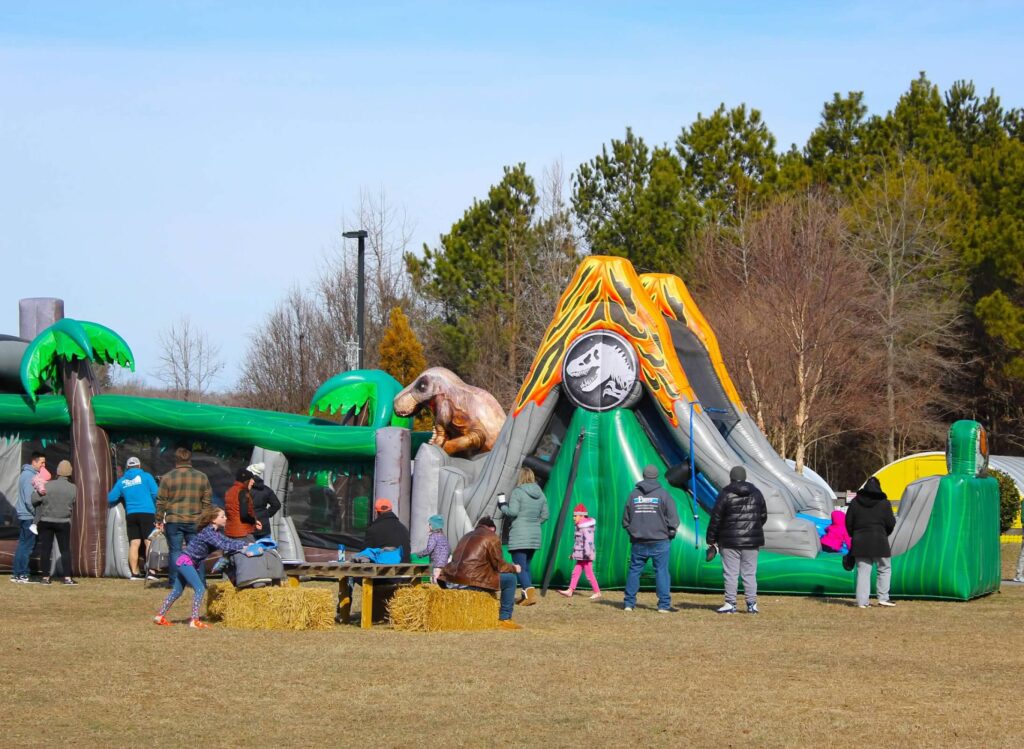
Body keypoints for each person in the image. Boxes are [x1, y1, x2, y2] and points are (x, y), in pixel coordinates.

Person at [153, 507, 256, 628]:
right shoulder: (208, 533)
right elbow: (222, 545)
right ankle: (194, 620)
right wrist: (246, 544)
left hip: (185, 562)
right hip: (186, 562)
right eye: (222, 516)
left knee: (177, 591)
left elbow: (227, 541)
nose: (225, 518)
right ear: (213, 520)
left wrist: (245, 544)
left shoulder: (215, 532)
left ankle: (160, 616)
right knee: (200, 589)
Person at [438, 517, 523, 630]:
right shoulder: (491, 537)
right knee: (510, 579)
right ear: (492, 528)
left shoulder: (466, 536)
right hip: (470, 581)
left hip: (451, 580)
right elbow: (500, 566)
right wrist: (514, 568)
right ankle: (505, 618)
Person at [706, 466, 768, 614]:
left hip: (728, 541)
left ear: (731, 478)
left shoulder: (725, 494)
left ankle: (730, 604)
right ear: (745, 477)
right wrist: (753, 528)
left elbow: (716, 518)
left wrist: (711, 539)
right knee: (749, 573)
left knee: (731, 573)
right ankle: (752, 604)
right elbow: (763, 516)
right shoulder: (757, 493)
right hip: (752, 541)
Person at [622, 464, 680, 613]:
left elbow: (625, 521)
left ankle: (629, 604)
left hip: (638, 541)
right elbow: (674, 519)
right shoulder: (663, 494)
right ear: (656, 476)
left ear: (643, 475)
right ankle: (663, 605)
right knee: (661, 571)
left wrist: (633, 532)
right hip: (660, 540)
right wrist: (670, 531)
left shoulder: (633, 495)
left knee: (634, 571)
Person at [156, 446, 213, 590]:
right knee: (197, 553)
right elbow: (207, 501)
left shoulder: (168, 477)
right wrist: (205, 519)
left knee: (175, 551)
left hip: (174, 520)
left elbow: (161, 500)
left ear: (176, 459)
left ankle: (174, 582)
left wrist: (158, 519)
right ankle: (200, 582)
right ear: (190, 459)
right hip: (195, 520)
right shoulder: (202, 477)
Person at [498, 467, 549, 606]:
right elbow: (545, 515)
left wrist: (502, 505)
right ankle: (525, 596)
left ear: (520, 477)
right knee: (526, 566)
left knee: (519, 566)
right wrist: (533, 523)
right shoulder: (541, 494)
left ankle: (529, 593)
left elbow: (512, 512)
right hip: (534, 534)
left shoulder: (518, 492)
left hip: (520, 534)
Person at [845, 476, 897, 608]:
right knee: (884, 569)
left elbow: (848, 522)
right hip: (879, 541)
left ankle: (862, 602)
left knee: (863, 571)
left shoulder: (855, 502)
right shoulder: (884, 503)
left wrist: (854, 535)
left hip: (860, 541)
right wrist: (885, 533)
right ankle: (883, 598)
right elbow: (891, 523)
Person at [107, 456, 159, 579]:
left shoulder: (122, 481)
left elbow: (110, 498)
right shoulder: (146, 477)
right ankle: (151, 572)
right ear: (139, 466)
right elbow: (156, 493)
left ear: (127, 467)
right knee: (149, 541)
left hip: (131, 514)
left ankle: (134, 573)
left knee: (134, 543)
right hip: (147, 512)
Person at [31, 460, 77, 585]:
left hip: (46, 521)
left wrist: (38, 492)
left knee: (46, 549)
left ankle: (45, 578)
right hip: (63, 521)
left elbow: (34, 500)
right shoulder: (73, 488)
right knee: (65, 550)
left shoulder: (47, 485)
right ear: (70, 473)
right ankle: (67, 578)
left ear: (57, 472)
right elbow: (74, 502)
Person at [12, 451, 45, 583]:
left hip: (25, 515)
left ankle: (17, 573)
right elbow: (28, 499)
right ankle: (23, 574)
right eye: (42, 462)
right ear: (34, 461)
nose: (43, 465)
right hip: (28, 516)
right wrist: (36, 514)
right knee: (28, 545)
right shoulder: (28, 476)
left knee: (22, 544)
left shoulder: (27, 474)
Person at [558, 503, 601, 599]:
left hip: (586, 555)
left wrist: (587, 553)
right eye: (573, 516)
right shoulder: (579, 526)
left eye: (575, 516)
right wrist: (573, 555)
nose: (573, 518)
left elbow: (588, 541)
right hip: (581, 555)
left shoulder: (585, 527)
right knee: (575, 572)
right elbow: (578, 544)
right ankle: (570, 590)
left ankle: (597, 592)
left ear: (582, 516)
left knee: (589, 574)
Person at [364, 498, 411, 562]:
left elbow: (365, 554)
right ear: (391, 510)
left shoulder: (373, 529)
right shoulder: (403, 528)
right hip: (405, 568)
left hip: (384, 569)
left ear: (376, 513)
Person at [246, 463, 281, 541]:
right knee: (265, 550)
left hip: (247, 527)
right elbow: (277, 505)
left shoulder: (243, 490)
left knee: (247, 551)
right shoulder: (267, 490)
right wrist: (266, 514)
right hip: (263, 526)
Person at [414, 514, 451, 584]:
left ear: (433, 526)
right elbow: (449, 550)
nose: (429, 526)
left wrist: (419, 555)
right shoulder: (443, 537)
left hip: (436, 564)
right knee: (442, 584)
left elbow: (429, 550)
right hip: (444, 565)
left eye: (430, 524)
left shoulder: (433, 536)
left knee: (435, 583)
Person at [223, 468, 257, 540]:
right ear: (246, 481)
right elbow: (244, 516)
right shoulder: (243, 492)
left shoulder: (229, 491)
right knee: (254, 550)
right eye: (251, 479)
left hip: (229, 531)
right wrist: (254, 520)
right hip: (243, 533)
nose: (253, 482)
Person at [27, 464, 52, 535]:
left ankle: (35, 525)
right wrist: (43, 490)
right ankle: (34, 525)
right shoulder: (41, 481)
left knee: (39, 513)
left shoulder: (37, 478)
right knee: (39, 513)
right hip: (39, 501)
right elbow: (41, 487)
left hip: (38, 500)